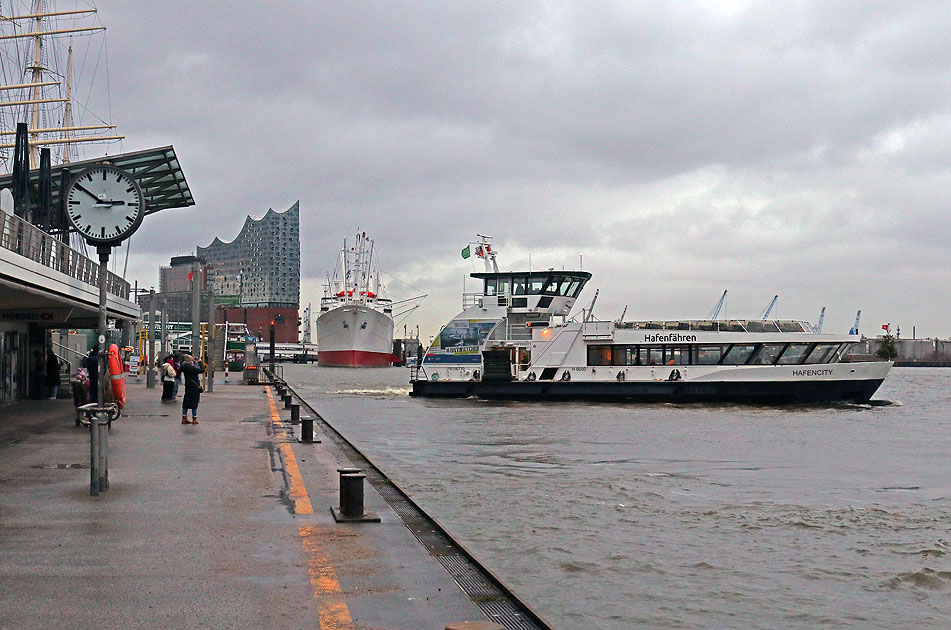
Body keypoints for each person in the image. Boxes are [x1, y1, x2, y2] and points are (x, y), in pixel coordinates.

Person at [179, 354, 205, 424]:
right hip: (194, 387)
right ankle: (194, 419)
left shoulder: (184, 367)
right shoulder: (192, 368)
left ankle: (184, 418)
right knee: (194, 403)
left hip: (188, 386)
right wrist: (199, 362)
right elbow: (202, 370)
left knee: (186, 403)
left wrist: (194, 362)